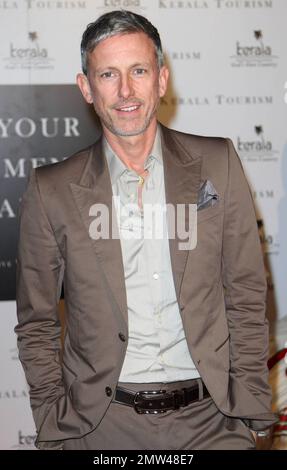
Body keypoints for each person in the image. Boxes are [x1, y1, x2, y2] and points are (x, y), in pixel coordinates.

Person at [15, 10, 276, 450]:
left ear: (161, 79)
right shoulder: (52, 189)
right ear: (86, 88)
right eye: (108, 74)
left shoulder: (219, 163)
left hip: (212, 424)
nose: (125, 91)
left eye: (138, 71)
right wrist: (51, 424)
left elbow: (247, 294)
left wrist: (250, 410)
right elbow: (36, 323)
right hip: (98, 429)